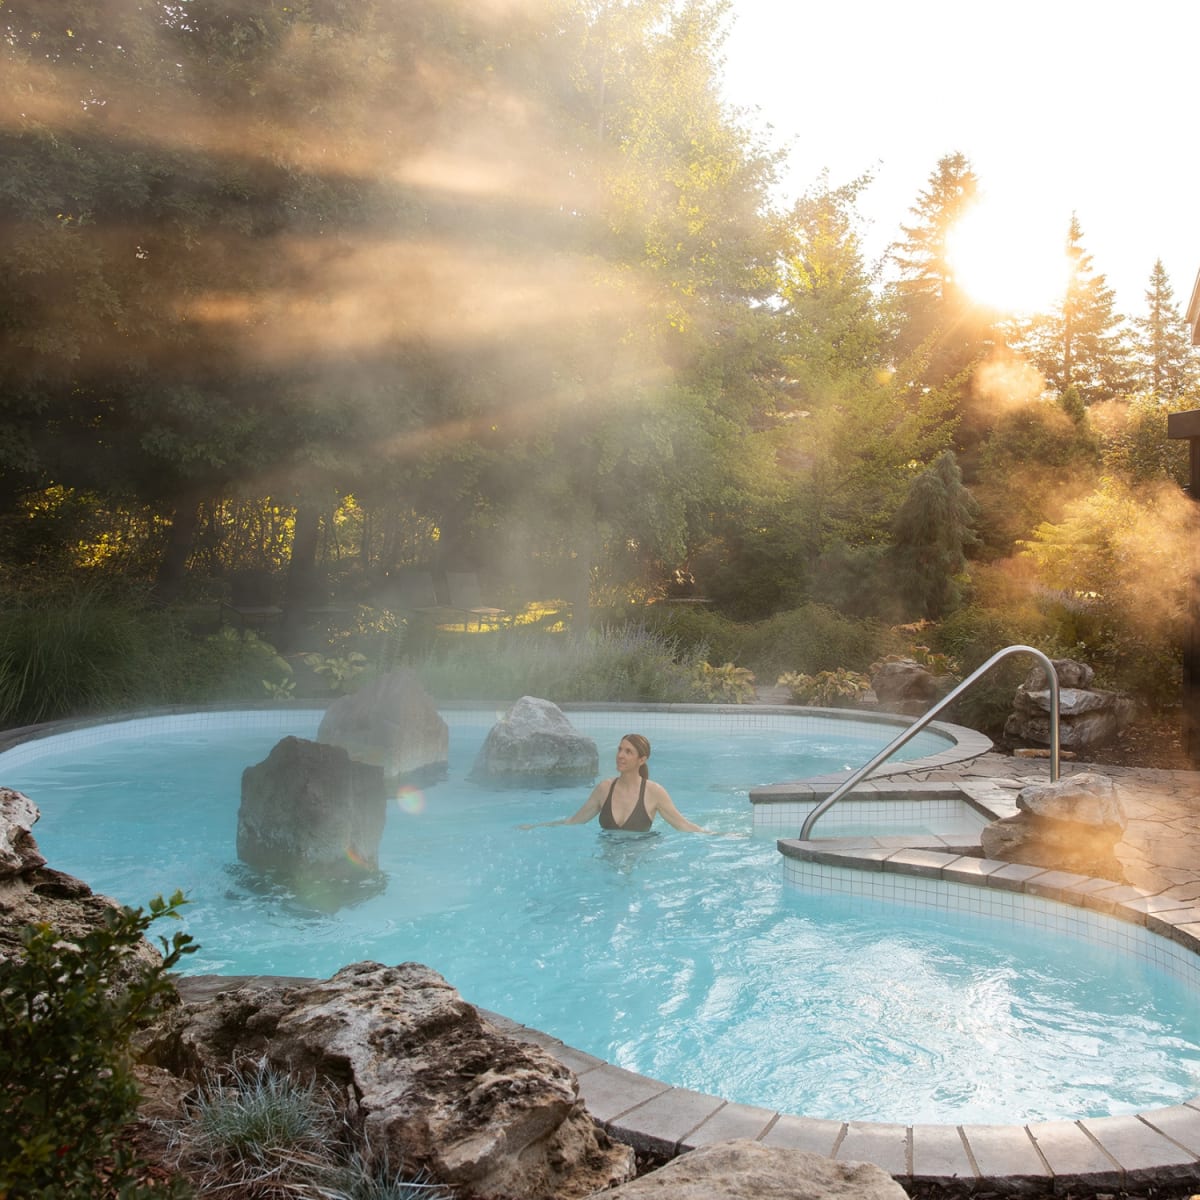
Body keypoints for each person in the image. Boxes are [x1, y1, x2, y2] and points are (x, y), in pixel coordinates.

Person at [521, 734, 713, 833]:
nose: (620, 755)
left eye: (628, 752)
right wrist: (537, 827)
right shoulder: (604, 789)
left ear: (642, 759)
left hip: (639, 860)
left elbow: (683, 825)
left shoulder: (654, 792)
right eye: (620, 749)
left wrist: (722, 835)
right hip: (607, 858)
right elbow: (573, 821)